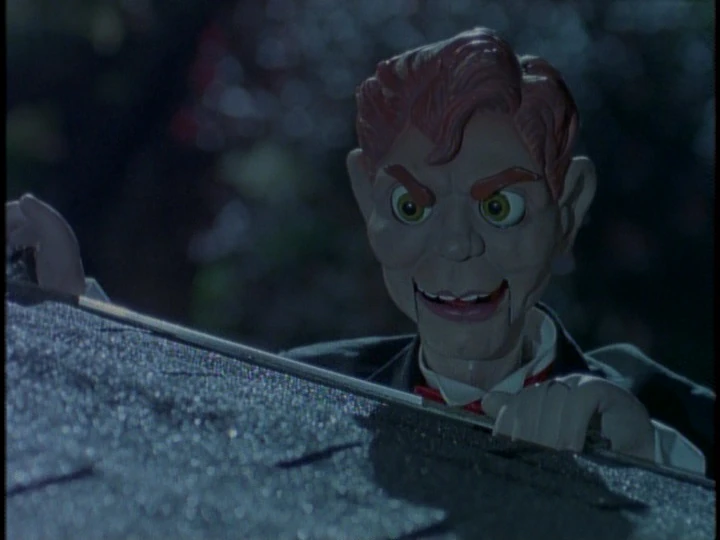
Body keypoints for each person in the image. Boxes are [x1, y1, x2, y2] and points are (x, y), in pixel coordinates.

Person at [6, 27, 714, 478]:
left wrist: (654, 466)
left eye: (500, 207)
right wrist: (71, 314)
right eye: (411, 206)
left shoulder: (665, 413)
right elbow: (166, 437)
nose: (456, 244)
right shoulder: (313, 390)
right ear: (367, 201)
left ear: (569, 207)